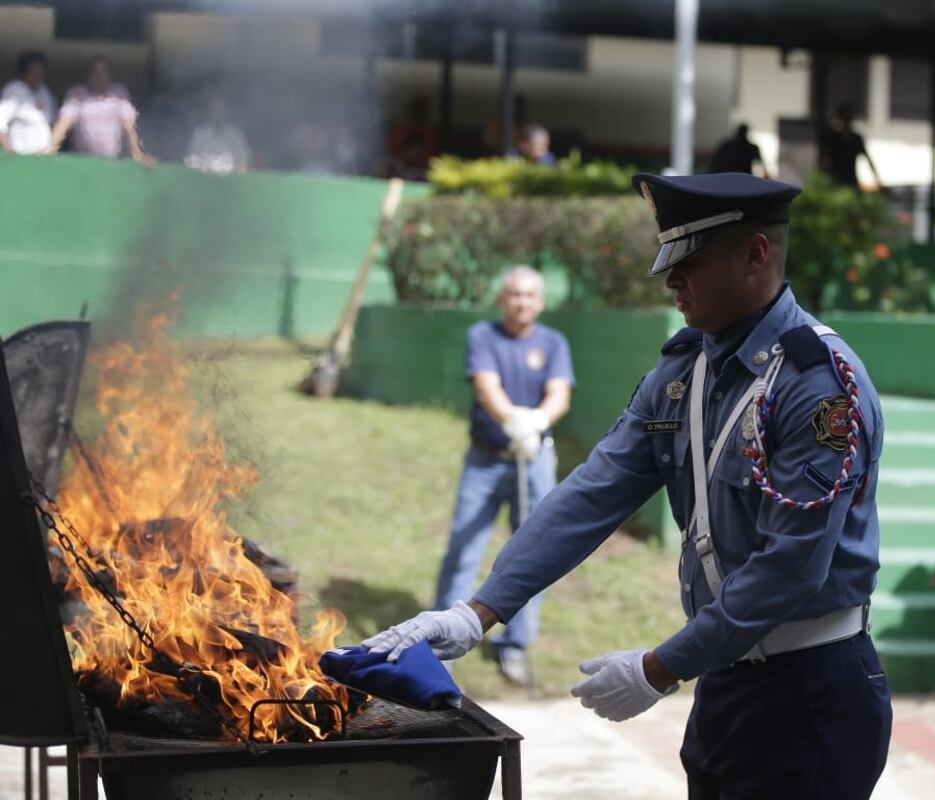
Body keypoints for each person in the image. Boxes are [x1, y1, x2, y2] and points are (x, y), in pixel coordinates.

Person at [365, 172, 892, 797]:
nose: (671, 281)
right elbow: (594, 491)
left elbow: (790, 569)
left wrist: (660, 668)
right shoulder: (684, 372)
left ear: (755, 254)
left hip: (812, 692)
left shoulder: (818, 385)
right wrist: (478, 612)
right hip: (726, 685)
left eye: (690, 262)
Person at [430, 266, 574, 687]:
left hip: (535, 461)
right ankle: (443, 645)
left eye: (529, 295)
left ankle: (514, 645)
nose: (522, 302)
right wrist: (513, 421)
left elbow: (559, 394)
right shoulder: (483, 336)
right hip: (486, 459)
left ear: (540, 301)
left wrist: (537, 422)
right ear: (502, 299)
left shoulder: (554, 342)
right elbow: (487, 387)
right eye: (514, 294)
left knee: (533, 553)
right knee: (463, 547)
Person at [46, 56, 154, 165]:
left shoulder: (119, 93)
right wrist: (51, 147)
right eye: (95, 72)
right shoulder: (77, 94)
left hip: (113, 161)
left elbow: (129, 126)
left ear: (109, 76)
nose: (99, 76)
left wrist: (136, 152)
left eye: (103, 72)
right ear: (88, 76)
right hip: (82, 162)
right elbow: (64, 122)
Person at [0, 51, 56, 155]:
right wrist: (9, 151)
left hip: (43, 156)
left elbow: (51, 122)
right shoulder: (14, 90)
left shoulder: (44, 92)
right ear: (24, 72)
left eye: (41, 71)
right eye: (34, 71)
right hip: (21, 155)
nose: (39, 75)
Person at [819, 103, 883, 192]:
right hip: (835, 181)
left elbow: (868, 160)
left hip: (851, 181)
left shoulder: (856, 139)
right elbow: (822, 160)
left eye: (848, 116)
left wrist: (878, 181)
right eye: (844, 116)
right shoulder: (832, 138)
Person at [183, 94, 251, 174]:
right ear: (210, 112)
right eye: (215, 110)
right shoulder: (200, 134)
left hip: (230, 179)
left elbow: (244, 163)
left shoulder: (236, 135)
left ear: (227, 112)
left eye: (221, 110)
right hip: (203, 178)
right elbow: (190, 162)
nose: (218, 113)